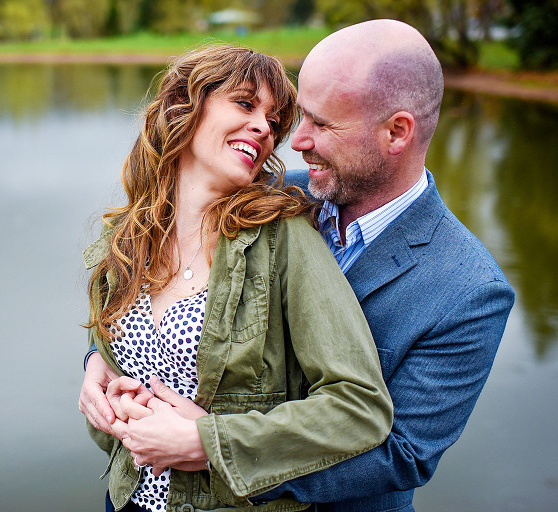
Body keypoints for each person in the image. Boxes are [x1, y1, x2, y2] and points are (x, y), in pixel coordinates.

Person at [81, 20, 515, 512]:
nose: (294, 140)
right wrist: (99, 362)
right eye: (300, 117)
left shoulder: (470, 289)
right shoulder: (262, 194)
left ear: (396, 132)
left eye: (323, 124)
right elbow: (147, 288)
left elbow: (403, 453)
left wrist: (211, 448)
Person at [80, 44, 393, 512]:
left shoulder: (282, 236)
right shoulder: (124, 236)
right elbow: (124, 366)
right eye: (245, 104)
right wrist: (103, 390)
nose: (264, 128)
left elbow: (360, 406)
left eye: (273, 121)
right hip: (125, 501)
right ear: (183, 106)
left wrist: (210, 441)